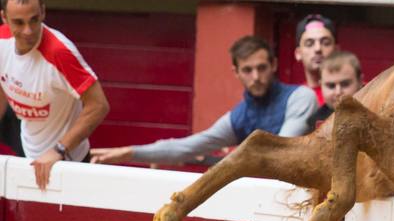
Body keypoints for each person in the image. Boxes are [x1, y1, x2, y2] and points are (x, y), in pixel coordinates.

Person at [92, 36, 317, 165]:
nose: (256, 77)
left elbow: (280, 152)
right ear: (235, 72)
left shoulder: (300, 98)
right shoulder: (237, 117)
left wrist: (228, 157)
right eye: (247, 70)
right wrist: (129, 152)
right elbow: (187, 147)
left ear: (274, 65)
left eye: (261, 68)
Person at [0, 0, 110, 192]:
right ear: (4, 18)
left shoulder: (60, 52)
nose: (28, 30)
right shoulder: (1, 41)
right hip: (26, 150)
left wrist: (58, 150)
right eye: (19, 22)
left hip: (67, 160)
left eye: (34, 20)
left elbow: (99, 105)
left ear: (43, 12)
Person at [309, 49, 364, 129]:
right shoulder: (313, 123)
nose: (338, 92)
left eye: (345, 84)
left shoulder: (380, 111)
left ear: (360, 81)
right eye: (331, 86)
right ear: (321, 85)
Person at [295, 14, 337, 105]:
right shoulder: (294, 98)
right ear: (298, 53)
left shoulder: (356, 91)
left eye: (325, 43)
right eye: (309, 44)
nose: (317, 49)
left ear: (337, 50)